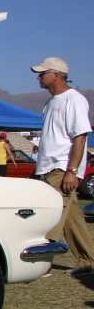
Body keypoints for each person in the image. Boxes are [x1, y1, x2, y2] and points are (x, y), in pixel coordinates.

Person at [32, 57, 94, 276]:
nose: (39, 77)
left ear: (56, 74)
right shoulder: (50, 103)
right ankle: (88, 261)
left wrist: (72, 171)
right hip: (47, 167)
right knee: (72, 219)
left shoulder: (74, 99)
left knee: (50, 217)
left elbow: (80, 136)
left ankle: (40, 262)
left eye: (42, 73)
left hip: (61, 167)